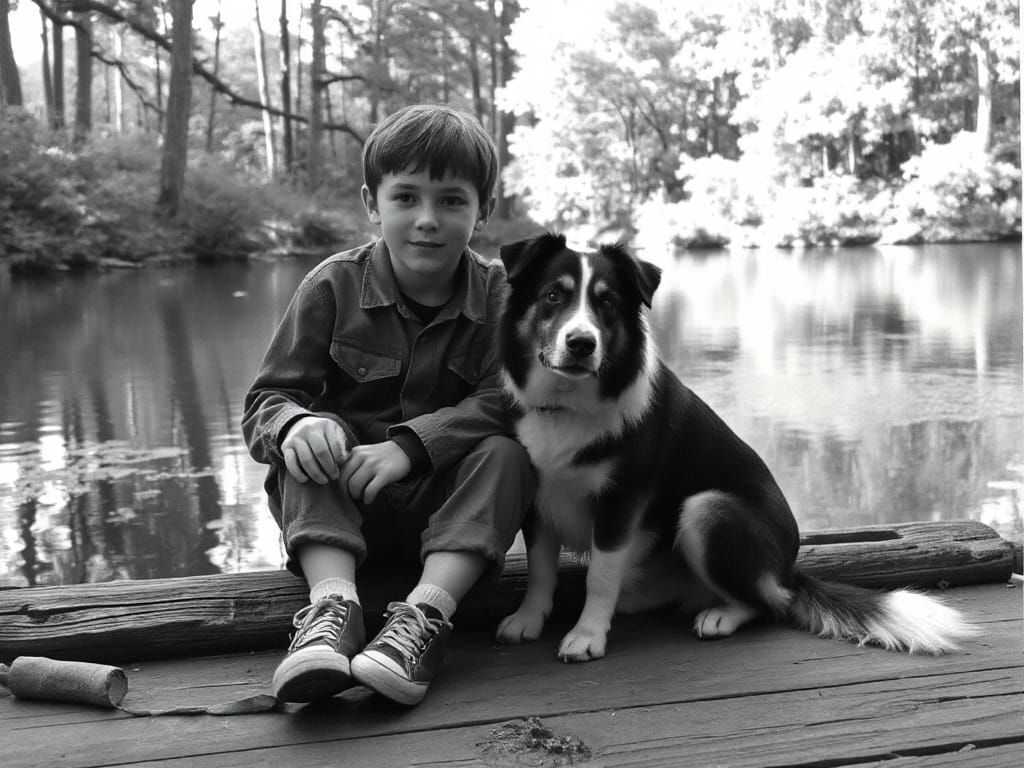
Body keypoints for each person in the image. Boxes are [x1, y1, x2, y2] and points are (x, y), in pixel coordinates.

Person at [242, 104, 535, 707]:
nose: (427, 220)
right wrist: (295, 422)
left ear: (485, 209)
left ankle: (421, 623)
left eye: (452, 201)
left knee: (509, 452)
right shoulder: (332, 285)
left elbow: (511, 400)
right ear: (372, 204)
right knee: (310, 439)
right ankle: (331, 612)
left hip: (453, 520)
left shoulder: (505, 296)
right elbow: (268, 400)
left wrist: (410, 448)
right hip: (343, 513)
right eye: (405, 198)